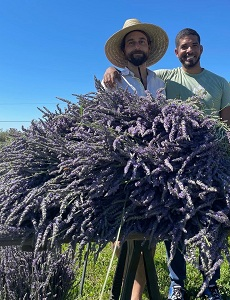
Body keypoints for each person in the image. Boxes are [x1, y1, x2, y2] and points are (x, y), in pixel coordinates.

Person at [103, 28, 230, 300]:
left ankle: (210, 284)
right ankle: (177, 285)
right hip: (169, 165)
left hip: (208, 164)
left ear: (201, 49)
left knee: (210, 223)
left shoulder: (218, 83)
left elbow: (229, 127)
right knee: (172, 224)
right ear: (176, 52)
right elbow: (131, 71)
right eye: (184, 47)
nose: (189, 51)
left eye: (193, 46)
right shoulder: (163, 77)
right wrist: (110, 69)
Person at [102, 18, 169, 300]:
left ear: (148, 46)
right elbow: (105, 122)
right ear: (124, 49)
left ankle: (135, 296)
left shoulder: (158, 81)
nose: (137, 45)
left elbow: (166, 119)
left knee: (148, 238)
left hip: (156, 165)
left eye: (141, 41)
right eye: (131, 42)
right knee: (125, 241)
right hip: (124, 165)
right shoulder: (114, 79)